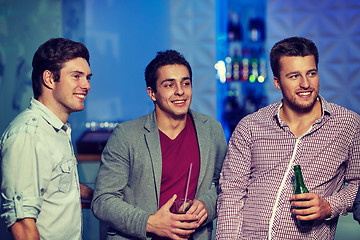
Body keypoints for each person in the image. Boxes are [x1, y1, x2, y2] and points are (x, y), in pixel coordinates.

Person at [216, 37, 360, 239]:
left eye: (311, 73)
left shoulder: (349, 125)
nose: (305, 84)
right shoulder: (250, 126)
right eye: (294, 76)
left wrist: (329, 206)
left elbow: (357, 185)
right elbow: (231, 194)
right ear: (277, 82)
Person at [91, 50, 227, 240]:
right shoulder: (127, 135)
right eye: (169, 84)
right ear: (152, 93)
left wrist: (206, 205)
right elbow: (102, 201)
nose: (180, 91)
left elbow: (227, 185)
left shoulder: (211, 130)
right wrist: (150, 223)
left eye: (185, 83)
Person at [0, 38, 94, 239]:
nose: (86, 85)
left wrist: (103, 198)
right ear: (49, 79)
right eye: (76, 76)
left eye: (88, 77)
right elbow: (22, 224)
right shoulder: (29, 135)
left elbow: (57, 186)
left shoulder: (56, 130)